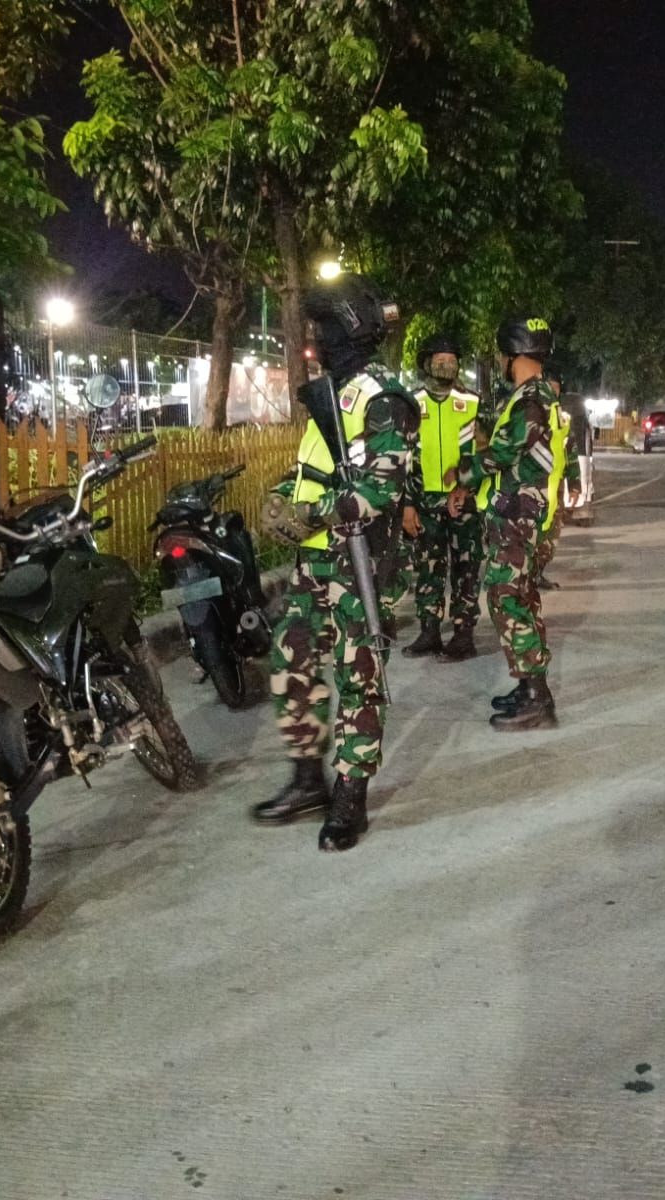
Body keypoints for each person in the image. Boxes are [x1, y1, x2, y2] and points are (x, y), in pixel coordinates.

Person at [254, 274, 415, 851]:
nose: (316, 340)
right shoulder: (331, 393)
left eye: (323, 329)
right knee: (290, 663)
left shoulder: (383, 399)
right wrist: (283, 497)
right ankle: (307, 781)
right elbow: (313, 470)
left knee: (358, 680)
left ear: (349, 329)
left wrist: (312, 514)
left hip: (360, 565)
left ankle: (351, 797)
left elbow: (381, 488)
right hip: (314, 564)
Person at [446, 315, 568, 730]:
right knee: (521, 598)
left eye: (501, 355)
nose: (499, 361)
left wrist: (462, 474)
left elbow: (502, 453)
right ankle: (530, 686)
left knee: (507, 598)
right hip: (519, 512)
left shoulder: (531, 400)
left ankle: (536, 698)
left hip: (518, 516)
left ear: (513, 354)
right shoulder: (534, 396)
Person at [401, 332, 485, 662]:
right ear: (427, 363)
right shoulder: (410, 403)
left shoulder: (473, 402)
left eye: (452, 360)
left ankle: (463, 634)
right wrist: (408, 504)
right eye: (440, 359)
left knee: (466, 568)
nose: (447, 365)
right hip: (423, 502)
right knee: (427, 568)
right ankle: (430, 631)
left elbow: (485, 452)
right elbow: (404, 457)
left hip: (464, 501)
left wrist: (467, 487)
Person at [531, 365, 582, 592]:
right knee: (529, 535)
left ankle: (537, 574)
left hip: (556, 488)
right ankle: (523, 579)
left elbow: (570, 452)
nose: (553, 392)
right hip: (532, 486)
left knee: (551, 538)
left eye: (556, 388)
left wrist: (575, 484)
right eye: (549, 387)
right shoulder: (530, 413)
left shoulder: (563, 419)